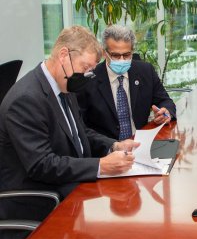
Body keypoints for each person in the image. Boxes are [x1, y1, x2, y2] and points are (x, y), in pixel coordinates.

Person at [0, 26, 138, 227]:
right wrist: (101, 165)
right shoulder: (26, 99)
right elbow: (42, 165)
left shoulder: (63, 85)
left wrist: (114, 146)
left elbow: (81, 133)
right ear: (64, 55)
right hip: (39, 202)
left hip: (70, 186)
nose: (86, 75)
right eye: (85, 67)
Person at [77, 25, 176, 140]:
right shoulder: (89, 79)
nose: (122, 59)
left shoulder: (145, 71)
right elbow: (81, 127)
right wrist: (112, 146)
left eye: (126, 54)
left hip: (141, 142)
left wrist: (166, 112)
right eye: (115, 55)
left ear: (132, 51)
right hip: (107, 150)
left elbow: (165, 101)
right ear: (104, 53)